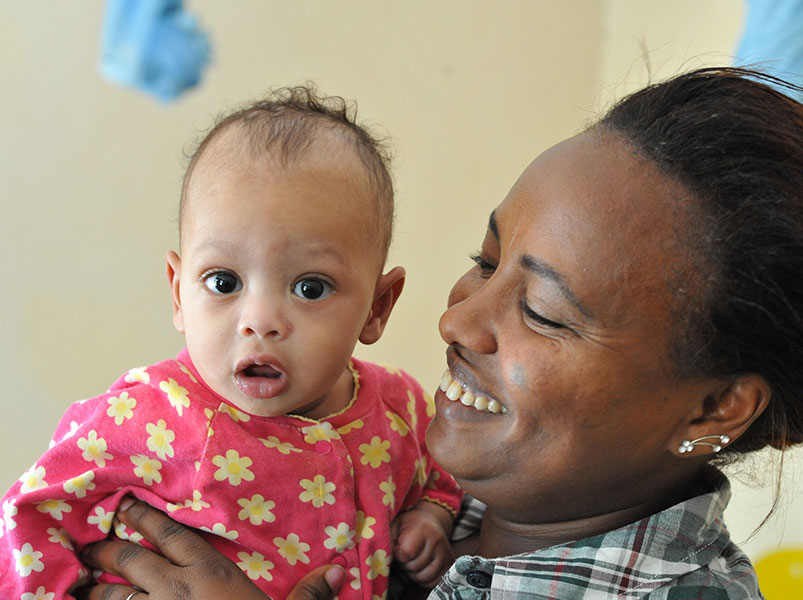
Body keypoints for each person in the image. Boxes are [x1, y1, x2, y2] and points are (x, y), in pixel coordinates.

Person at [76, 66, 803, 600]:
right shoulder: (402, 477)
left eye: (543, 313)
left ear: (715, 407)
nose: (455, 320)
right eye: (482, 263)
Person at [0, 87, 463, 600]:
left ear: (377, 308)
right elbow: (31, 513)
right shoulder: (146, 416)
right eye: (223, 282)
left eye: (311, 288)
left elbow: (450, 466)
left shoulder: (401, 405)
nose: (260, 321)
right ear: (179, 293)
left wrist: (433, 513)